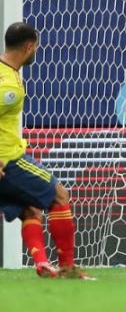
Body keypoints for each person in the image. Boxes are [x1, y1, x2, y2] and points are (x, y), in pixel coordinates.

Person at [0, 22, 94, 279]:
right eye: (36, 47)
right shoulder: (9, 87)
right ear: (29, 47)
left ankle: (43, 264)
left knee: (30, 209)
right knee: (59, 196)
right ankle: (68, 268)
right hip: (8, 161)